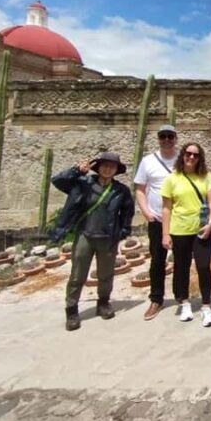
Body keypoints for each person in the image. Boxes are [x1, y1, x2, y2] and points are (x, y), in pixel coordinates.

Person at [50, 152, 134, 332]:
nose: (108, 168)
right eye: (104, 165)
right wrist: (76, 171)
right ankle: (71, 310)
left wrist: (123, 231)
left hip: (107, 237)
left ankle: (103, 303)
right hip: (85, 235)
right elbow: (58, 181)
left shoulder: (121, 191)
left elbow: (127, 212)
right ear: (98, 167)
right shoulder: (83, 184)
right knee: (78, 274)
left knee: (106, 274)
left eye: (112, 166)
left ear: (116, 170)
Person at [161, 142, 211, 327]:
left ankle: (206, 306)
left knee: (203, 266)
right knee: (181, 267)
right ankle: (184, 302)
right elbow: (166, 209)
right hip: (179, 230)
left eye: (195, 154)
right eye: (188, 154)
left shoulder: (206, 176)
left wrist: (210, 223)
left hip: (201, 229)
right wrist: (165, 234)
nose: (191, 157)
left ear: (200, 157)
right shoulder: (172, 178)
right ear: (182, 155)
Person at [134, 124, 178, 321]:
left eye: (170, 136)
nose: (167, 140)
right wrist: (146, 212)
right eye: (163, 136)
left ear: (175, 139)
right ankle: (156, 299)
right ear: (158, 139)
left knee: (182, 259)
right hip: (157, 219)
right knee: (158, 260)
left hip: (181, 218)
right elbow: (140, 188)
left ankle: (181, 295)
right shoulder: (148, 161)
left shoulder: (183, 159)